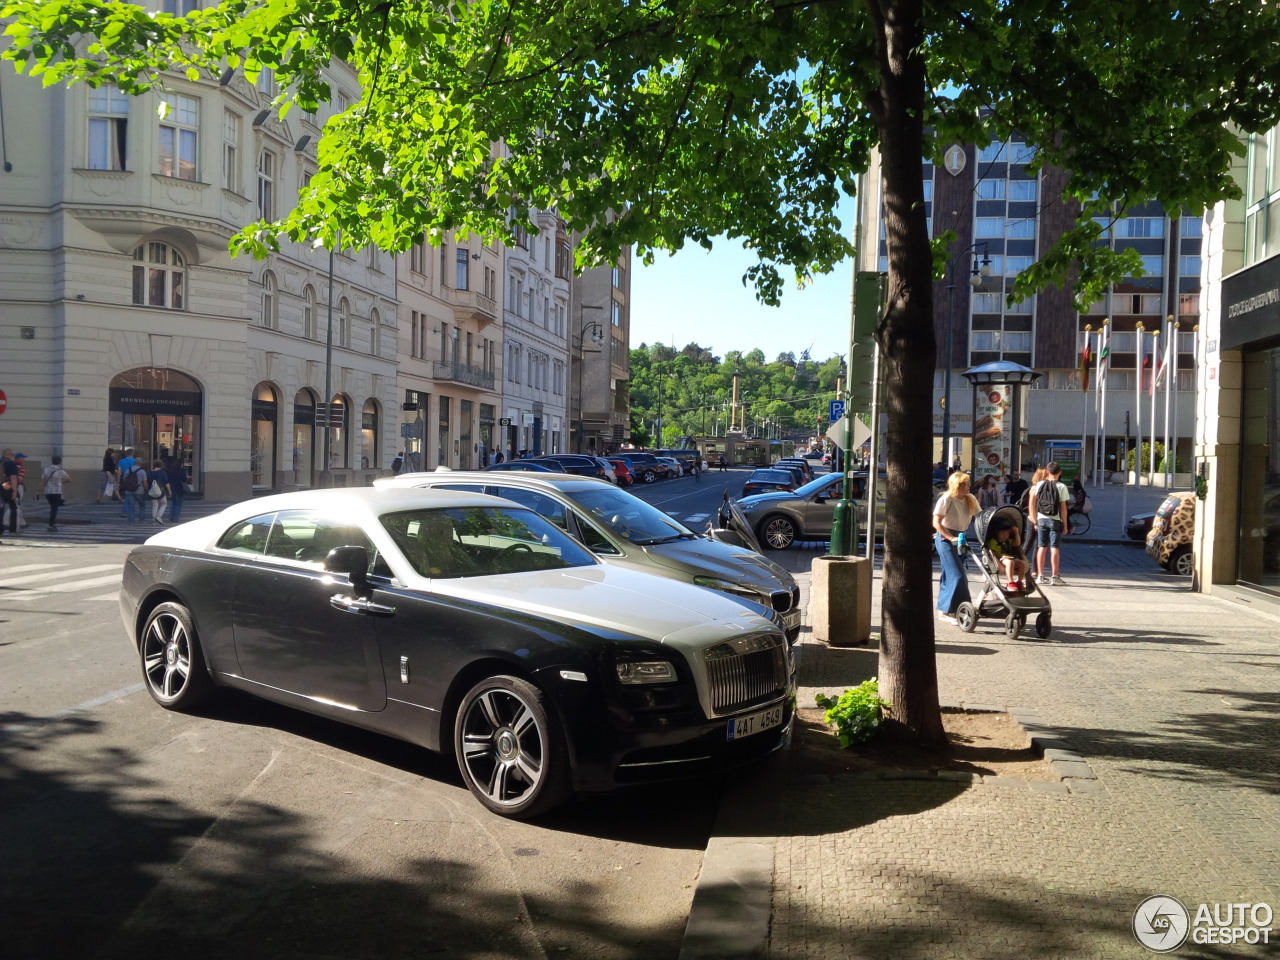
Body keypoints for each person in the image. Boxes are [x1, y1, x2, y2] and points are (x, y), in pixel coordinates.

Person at [932, 471, 980, 625]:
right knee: (957, 575)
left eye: (968, 483)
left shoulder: (970, 499)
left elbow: (980, 518)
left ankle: (946, 610)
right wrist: (950, 537)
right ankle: (956, 609)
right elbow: (936, 523)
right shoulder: (946, 499)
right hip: (946, 539)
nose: (968, 486)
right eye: (965, 484)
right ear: (956, 485)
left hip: (960, 538)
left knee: (949, 575)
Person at [1030, 460, 1070, 585]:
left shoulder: (1039, 485)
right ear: (1060, 472)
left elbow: (1031, 504)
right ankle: (1055, 576)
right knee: (1055, 548)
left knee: (1041, 547)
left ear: (1047, 472)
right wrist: (1065, 525)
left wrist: (1035, 521)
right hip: (1055, 519)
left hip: (1041, 519)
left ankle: (1040, 575)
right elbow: (1063, 508)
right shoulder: (1062, 486)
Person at [986, 521, 1029, 592]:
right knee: (1010, 562)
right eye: (1002, 533)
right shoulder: (993, 541)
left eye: (1007, 534)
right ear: (997, 533)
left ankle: (1019, 582)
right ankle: (1010, 582)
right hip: (1000, 559)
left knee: (1022, 563)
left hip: (1010, 558)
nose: (1005, 536)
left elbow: (1017, 544)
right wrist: (1002, 556)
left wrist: (1016, 533)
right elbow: (993, 553)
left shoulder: (1008, 541)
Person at [41, 456, 71, 532]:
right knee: (54, 509)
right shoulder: (61, 471)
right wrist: (61, 482)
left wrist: (38, 490)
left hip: (48, 492)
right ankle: (51, 525)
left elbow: (42, 481)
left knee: (52, 507)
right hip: (57, 492)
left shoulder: (46, 469)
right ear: (60, 462)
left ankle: (51, 524)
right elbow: (69, 479)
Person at [0, 448, 19, 536]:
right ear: (9, 455)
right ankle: (12, 528)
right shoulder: (10, 463)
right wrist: (14, 491)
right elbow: (13, 478)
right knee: (13, 508)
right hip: (7, 488)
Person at [148, 459, 172, 524]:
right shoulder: (163, 473)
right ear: (161, 465)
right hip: (161, 492)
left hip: (152, 491)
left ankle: (154, 521)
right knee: (164, 504)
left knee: (154, 506)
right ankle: (158, 517)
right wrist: (169, 491)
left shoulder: (149, 473)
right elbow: (167, 483)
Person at [164, 456, 187, 523]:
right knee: (178, 505)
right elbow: (185, 479)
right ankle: (175, 519)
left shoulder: (170, 471)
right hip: (179, 489)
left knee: (173, 504)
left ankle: (171, 517)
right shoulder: (181, 471)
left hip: (172, 489)